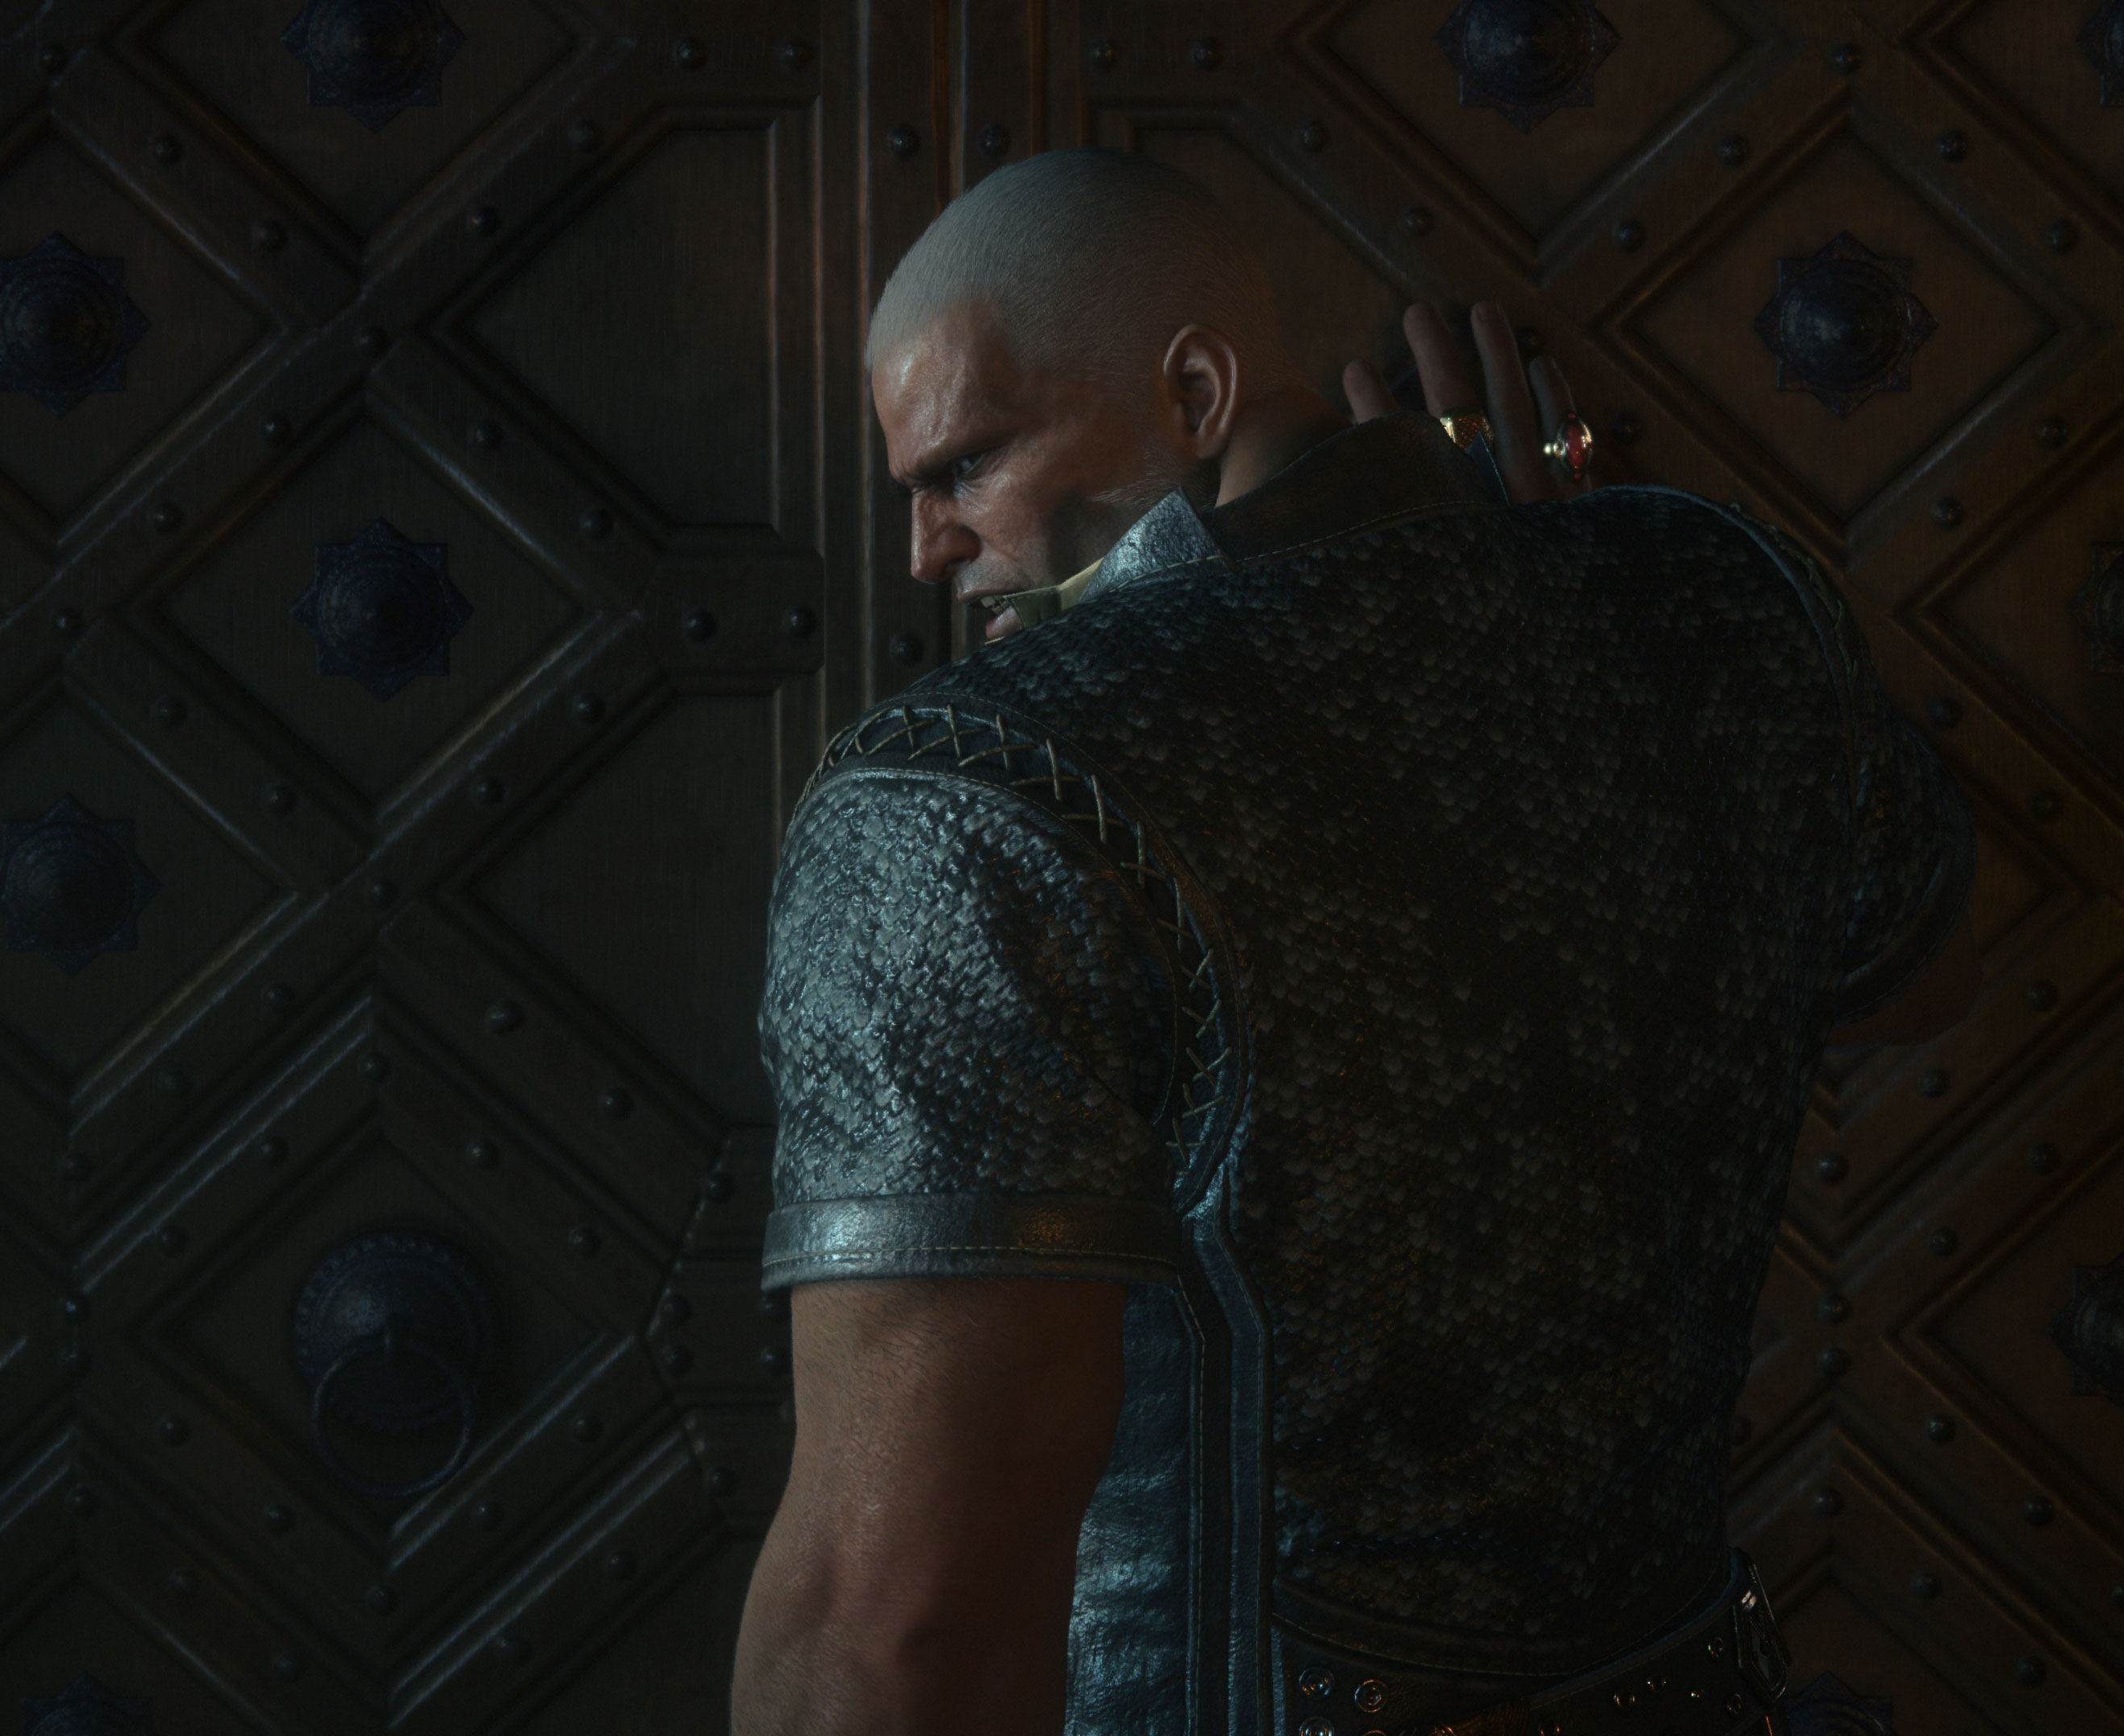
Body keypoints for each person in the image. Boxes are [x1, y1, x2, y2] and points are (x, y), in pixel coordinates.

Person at [728, 148, 1979, 1736]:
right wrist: (1566, 636)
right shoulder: (1722, 609)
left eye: (964, 466)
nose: (925, 549)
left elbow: (893, 1625)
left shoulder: (969, 798)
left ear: (1194, 392)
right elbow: (1914, 970)